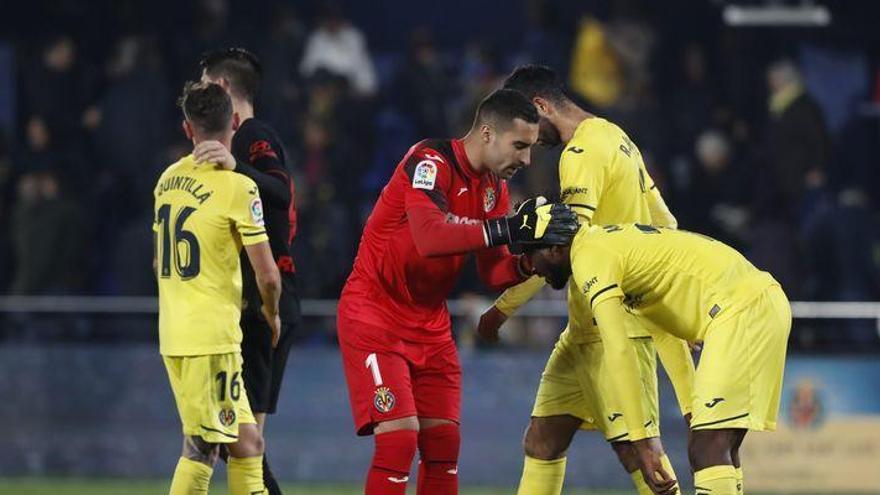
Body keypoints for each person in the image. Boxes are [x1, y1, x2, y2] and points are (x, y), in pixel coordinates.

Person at [337, 88, 574, 495]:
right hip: (375, 314)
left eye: (531, 148)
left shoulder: (494, 190)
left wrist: (530, 263)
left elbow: (494, 271)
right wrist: (509, 229)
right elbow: (430, 236)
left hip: (430, 323)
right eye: (519, 146)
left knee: (444, 447)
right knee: (398, 439)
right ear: (486, 133)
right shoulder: (428, 161)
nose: (526, 160)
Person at [478, 64, 692, 495]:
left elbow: (562, 249)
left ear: (541, 107)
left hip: (614, 327)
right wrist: (676, 303)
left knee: (640, 454)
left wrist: (500, 311)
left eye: (529, 130)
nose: (531, 145)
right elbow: (665, 223)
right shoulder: (618, 138)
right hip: (582, 331)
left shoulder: (580, 154)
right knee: (542, 440)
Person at [526, 222, 791, 495]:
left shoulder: (589, 258)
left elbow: (619, 351)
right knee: (720, 445)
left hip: (740, 310)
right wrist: (691, 408)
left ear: (556, 249)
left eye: (529, 254)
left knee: (708, 446)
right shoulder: (614, 248)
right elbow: (666, 333)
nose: (529, 266)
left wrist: (643, 444)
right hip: (756, 302)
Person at [154, 81, 282, 494]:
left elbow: (158, 261)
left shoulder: (167, 180)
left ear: (188, 129)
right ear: (236, 122)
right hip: (210, 338)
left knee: (247, 444)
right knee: (202, 448)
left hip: (176, 332)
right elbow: (268, 275)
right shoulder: (238, 187)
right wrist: (272, 311)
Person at [196, 47, 299, 495]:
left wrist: (236, 165)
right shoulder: (236, 141)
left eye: (203, 83)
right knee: (243, 445)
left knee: (244, 445)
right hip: (253, 298)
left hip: (265, 299)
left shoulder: (253, 135)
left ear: (220, 88)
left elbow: (280, 190)